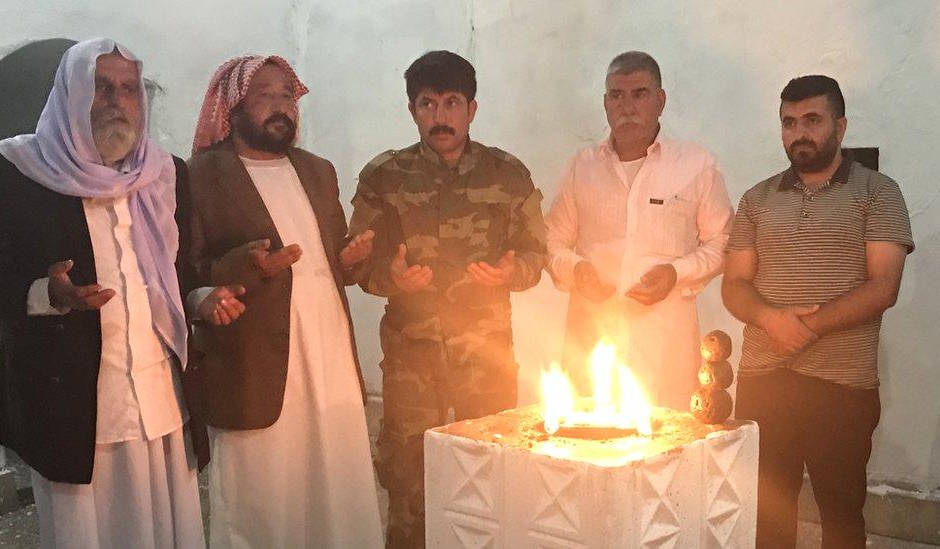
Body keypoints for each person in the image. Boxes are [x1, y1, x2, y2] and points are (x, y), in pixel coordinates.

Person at [0, 38, 222, 548]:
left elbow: (179, 273)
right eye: (100, 86)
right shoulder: (14, 170)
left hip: (161, 399)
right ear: (69, 92)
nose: (115, 100)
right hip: (73, 403)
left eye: (128, 89)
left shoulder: (165, 173)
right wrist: (47, 294)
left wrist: (200, 298)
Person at [349, 49, 547, 548]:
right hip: (411, 355)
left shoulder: (508, 176)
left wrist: (511, 271)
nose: (441, 117)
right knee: (408, 472)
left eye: (452, 103)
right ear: (412, 110)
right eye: (428, 105)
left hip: (485, 353)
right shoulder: (383, 178)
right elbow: (355, 265)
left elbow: (535, 255)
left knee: (493, 468)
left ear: (472, 109)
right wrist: (391, 279)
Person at [185, 54, 383, 548]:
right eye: (265, 95)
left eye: (287, 96)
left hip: (328, 352)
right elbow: (186, 272)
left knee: (337, 485)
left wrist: (353, 257)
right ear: (233, 107)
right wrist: (248, 268)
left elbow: (334, 256)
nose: (281, 107)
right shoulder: (200, 175)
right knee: (262, 500)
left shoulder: (318, 170)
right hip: (254, 364)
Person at [722, 75, 914, 548]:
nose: (799, 133)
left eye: (812, 120)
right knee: (766, 514)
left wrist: (804, 327)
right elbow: (734, 285)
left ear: (841, 126)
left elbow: (883, 287)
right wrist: (771, 321)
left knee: (841, 515)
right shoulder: (757, 199)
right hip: (763, 380)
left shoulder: (878, 193)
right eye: (789, 123)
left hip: (841, 384)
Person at [544, 51, 733, 408]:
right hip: (593, 339)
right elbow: (552, 241)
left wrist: (674, 273)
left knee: (667, 450)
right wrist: (577, 270)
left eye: (639, 94)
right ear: (605, 103)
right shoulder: (580, 168)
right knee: (588, 451)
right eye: (617, 95)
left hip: (664, 344)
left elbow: (721, 243)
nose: (627, 107)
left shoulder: (696, 165)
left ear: (660, 101)